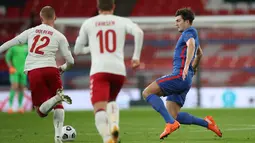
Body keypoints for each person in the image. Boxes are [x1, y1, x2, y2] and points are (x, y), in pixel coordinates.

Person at [142, 8, 222, 140]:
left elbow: (191, 45)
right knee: (173, 114)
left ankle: (171, 124)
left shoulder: (188, 32)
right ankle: (207, 123)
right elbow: (200, 53)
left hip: (179, 76)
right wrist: (193, 68)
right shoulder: (194, 34)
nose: (176, 24)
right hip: (186, 79)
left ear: (187, 21)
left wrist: (186, 67)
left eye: (178, 20)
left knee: (146, 93)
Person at [0, 6, 74, 143]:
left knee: (40, 111)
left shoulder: (30, 32)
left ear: (40, 18)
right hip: (52, 70)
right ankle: (58, 138)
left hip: (34, 70)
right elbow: (71, 61)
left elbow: (11, 42)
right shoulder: (59, 36)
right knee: (59, 106)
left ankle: (57, 98)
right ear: (55, 18)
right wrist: (63, 67)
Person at [74, 0, 144, 142]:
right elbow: (139, 32)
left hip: (99, 70)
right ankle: (114, 125)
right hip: (118, 70)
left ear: (98, 7)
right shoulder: (121, 21)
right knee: (111, 100)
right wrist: (135, 57)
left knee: (99, 108)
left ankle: (107, 138)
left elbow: (77, 50)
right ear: (113, 6)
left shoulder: (89, 23)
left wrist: (92, 48)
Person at [5, 42, 28, 114]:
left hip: (23, 71)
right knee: (14, 86)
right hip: (14, 71)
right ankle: (10, 107)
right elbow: (7, 57)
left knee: (21, 88)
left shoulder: (26, 47)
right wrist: (10, 67)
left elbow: (29, 58)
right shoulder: (13, 47)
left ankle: (20, 107)